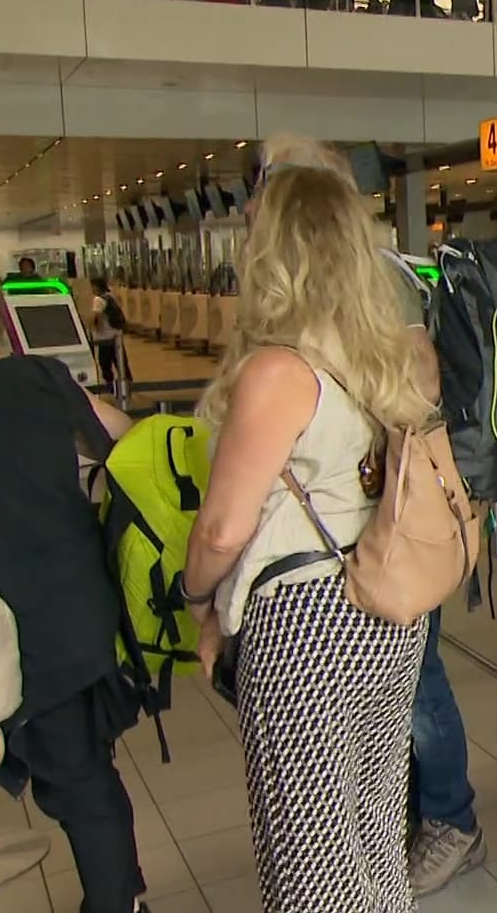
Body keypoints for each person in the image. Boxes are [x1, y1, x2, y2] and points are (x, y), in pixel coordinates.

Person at [182, 148, 438, 909]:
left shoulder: (277, 373)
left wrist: (194, 594)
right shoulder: (392, 356)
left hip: (305, 626)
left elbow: (224, 526)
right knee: (371, 835)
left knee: (311, 862)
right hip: (387, 612)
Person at [0, 232, 149, 913]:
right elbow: (125, 439)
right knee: (87, 774)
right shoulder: (47, 379)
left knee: (81, 786)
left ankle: (119, 904)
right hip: (83, 610)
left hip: (11, 628)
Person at [89, 276, 128, 393]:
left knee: (105, 363)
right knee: (121, 362)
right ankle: (127, 386)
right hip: (117, 334)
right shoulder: (111, 295)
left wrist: (95, 330)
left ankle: (111, 387)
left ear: (96, 286)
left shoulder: (98, 299)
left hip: (105, 337)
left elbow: (97, 317)